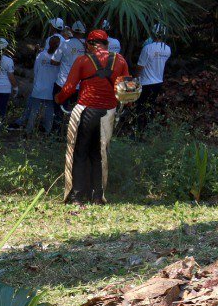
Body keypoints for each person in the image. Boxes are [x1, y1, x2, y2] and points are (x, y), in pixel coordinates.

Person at [55, 29, 129, 203]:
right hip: (108, 112)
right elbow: (126, 89)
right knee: (100, 154)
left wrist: (58, 99)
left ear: (89, 44)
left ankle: (77, 196)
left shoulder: (83, 60)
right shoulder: (120, 60)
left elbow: (69, 88)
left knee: (79, 152)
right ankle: (97, 196)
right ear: (107, 44)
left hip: (85, 111)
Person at [19, 34, 61, 134]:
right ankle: (47, 132)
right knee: (49, 113)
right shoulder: (59, 58)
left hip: (38, 88)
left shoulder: (41, 55)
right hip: (51, 90)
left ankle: (28, 131)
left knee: (34, 111)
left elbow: (35, 70)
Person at [134, 22, 171, 131]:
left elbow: (140, 66)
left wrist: (135, 79)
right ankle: (147, 130)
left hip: (145, 83)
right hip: (158, 82)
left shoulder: (148, 48)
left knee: (140, 108)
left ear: (153, 34)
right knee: (150, 106)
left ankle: (139, 132)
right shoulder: (167, 49)